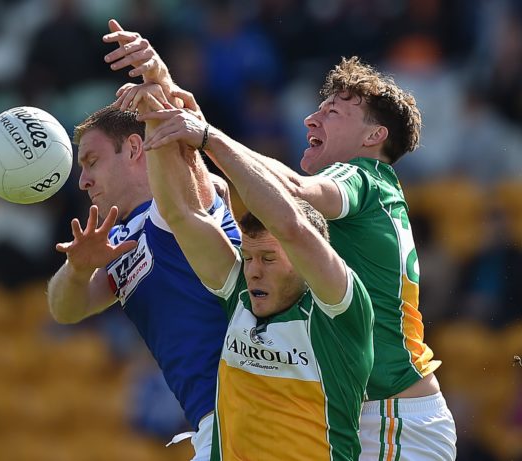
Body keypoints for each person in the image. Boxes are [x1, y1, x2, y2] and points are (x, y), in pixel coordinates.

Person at [104, 21, 457, 459]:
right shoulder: (357, 197)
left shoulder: (364, 175)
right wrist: (164, 89)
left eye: (332, 112)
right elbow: (201, 203)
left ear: (373, 137)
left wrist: (204, 133)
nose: (311, 118)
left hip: (390, 419)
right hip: (355, 409)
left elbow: (287, 199)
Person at [135, 88, 374, 460]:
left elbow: (292, 227)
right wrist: (153, 121)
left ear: (304, 262)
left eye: (268, 258)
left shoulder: (339, 312)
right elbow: (181, 213)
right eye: (248, 258)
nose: (254, 272)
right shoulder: (240, 297)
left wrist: (207, 137)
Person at [46, 105, 241, 461]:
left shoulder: (185, 201)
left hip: (253, 405)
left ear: (135, 148)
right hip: (215, 423)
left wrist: (154, 83)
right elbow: (65, 310)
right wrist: (77, 269)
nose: (83, 180)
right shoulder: (120, 240)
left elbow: (187, 166)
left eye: (92, 161)